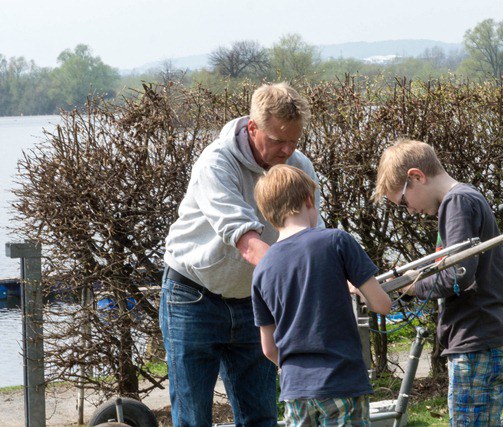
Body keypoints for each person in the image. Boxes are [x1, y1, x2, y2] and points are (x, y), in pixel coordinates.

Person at [160, 83, 324, 426]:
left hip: (253, 299)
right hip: (193, 296)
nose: (287, 149)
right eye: (279, 140)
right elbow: (245, 240)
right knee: (193, 419)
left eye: (294, 139)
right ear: (253, 127)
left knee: (261, 417)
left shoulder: (299, 166)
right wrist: (299, 278)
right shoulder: (216, 163)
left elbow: (311, 236)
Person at [373, 139, 503, 427]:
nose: (410, 211)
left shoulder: (457, 202)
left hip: (475, 340)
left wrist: (410, 286)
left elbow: (458, 276)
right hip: (482, 338)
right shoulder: (464, 199)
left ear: (416, 176)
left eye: (403, 201)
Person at [251, 164, 392, 426]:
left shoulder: (263, 268)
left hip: (295, 391)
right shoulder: (337, 240)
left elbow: (269, 348)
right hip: (341, 382)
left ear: (268, 214)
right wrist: (362, 289)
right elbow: (382, 304)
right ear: (308, 199)